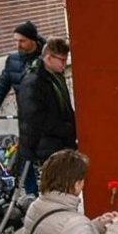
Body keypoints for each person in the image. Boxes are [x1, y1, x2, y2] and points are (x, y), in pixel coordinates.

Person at [18, 37, 76, 167]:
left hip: (58, 141)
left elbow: (64, 107)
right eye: (62, 60)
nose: (64, 63)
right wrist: (67, 129)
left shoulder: (55, 76)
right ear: (49, 58)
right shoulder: (33, 81)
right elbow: (35, 117)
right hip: (45, 145)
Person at [0, 20, 44, 124]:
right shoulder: (12, 60)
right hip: (26, 119)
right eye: (15, 41)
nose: (17, 45)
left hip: (48, 119)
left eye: (22, 41)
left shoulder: (46, 58)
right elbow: (1, 86)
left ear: (33, 40)